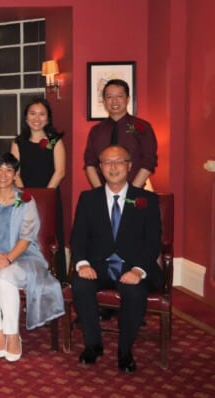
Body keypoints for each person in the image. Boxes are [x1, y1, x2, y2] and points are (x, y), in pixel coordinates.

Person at [0, 153, 64, 363]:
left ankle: (13, 335)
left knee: (3, 276)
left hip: (24, 256)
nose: (3, 174)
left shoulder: (25, 201)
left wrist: (7, 259)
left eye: (9, 170)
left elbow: (27, 237)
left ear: (16, 174)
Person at [71, 144, 162, 373]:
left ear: (129, 166)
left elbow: (153, 242)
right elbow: (78, 237)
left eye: (119, 161)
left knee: (135, 291)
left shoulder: (147, 199)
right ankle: (93, 345)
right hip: (98, 266)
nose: (113, 167)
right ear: (100, 168)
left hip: (132, 266)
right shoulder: (88, 198)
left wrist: (138, 270)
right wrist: (82, 264)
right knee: (80, 285)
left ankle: (125, 351)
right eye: (107, 162)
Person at [10, 97, 68, 281]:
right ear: (26, 117)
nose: (37, 118)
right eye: (32, 114)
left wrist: (45, 198)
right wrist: (26, 196)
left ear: (48, 118)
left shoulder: (54, 141)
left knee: (49, 238)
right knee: (24, 236)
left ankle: (55, 279)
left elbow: (60, 172)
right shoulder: (18, 142)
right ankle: (23, 279)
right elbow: (15, 173)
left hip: (49, 197)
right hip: (23, 197)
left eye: (42, 114)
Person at [84, 79, 157, 190]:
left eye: (119, 96)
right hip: (102, 191)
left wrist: (132, 190)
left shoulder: (142, 127)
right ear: (104, 101)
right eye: (109, 97)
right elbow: (90, 163)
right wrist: (100, 192)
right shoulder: (96, 131)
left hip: (135, 191)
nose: (114, 101)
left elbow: (149, 161)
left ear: (128, 99)